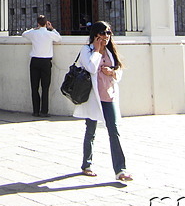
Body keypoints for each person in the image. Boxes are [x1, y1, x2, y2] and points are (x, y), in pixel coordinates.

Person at [73, 21, 132, 182]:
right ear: (95, 34)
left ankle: (120, 170)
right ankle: (87, 164)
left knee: (114, 131)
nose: (106, 36)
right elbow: (91, 67)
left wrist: (112, 72)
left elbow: (119, 70)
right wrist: (97, 51)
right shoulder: (87, 50)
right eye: (103, 33)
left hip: (109, 96)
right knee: (91, 130)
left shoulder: (110, 51)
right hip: (93, 97)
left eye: (109, 33)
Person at [21, 15, 62, 117]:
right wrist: (52, 28)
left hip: (35, 61)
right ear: (46, 23)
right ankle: (44, 111)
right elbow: (59, 38)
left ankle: (35, 111)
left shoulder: (34, 33)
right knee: (45, 87)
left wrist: (34, 28)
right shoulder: (50, 34)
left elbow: (24, 34)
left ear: (38, 23)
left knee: (34, 87)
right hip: (46, 62)